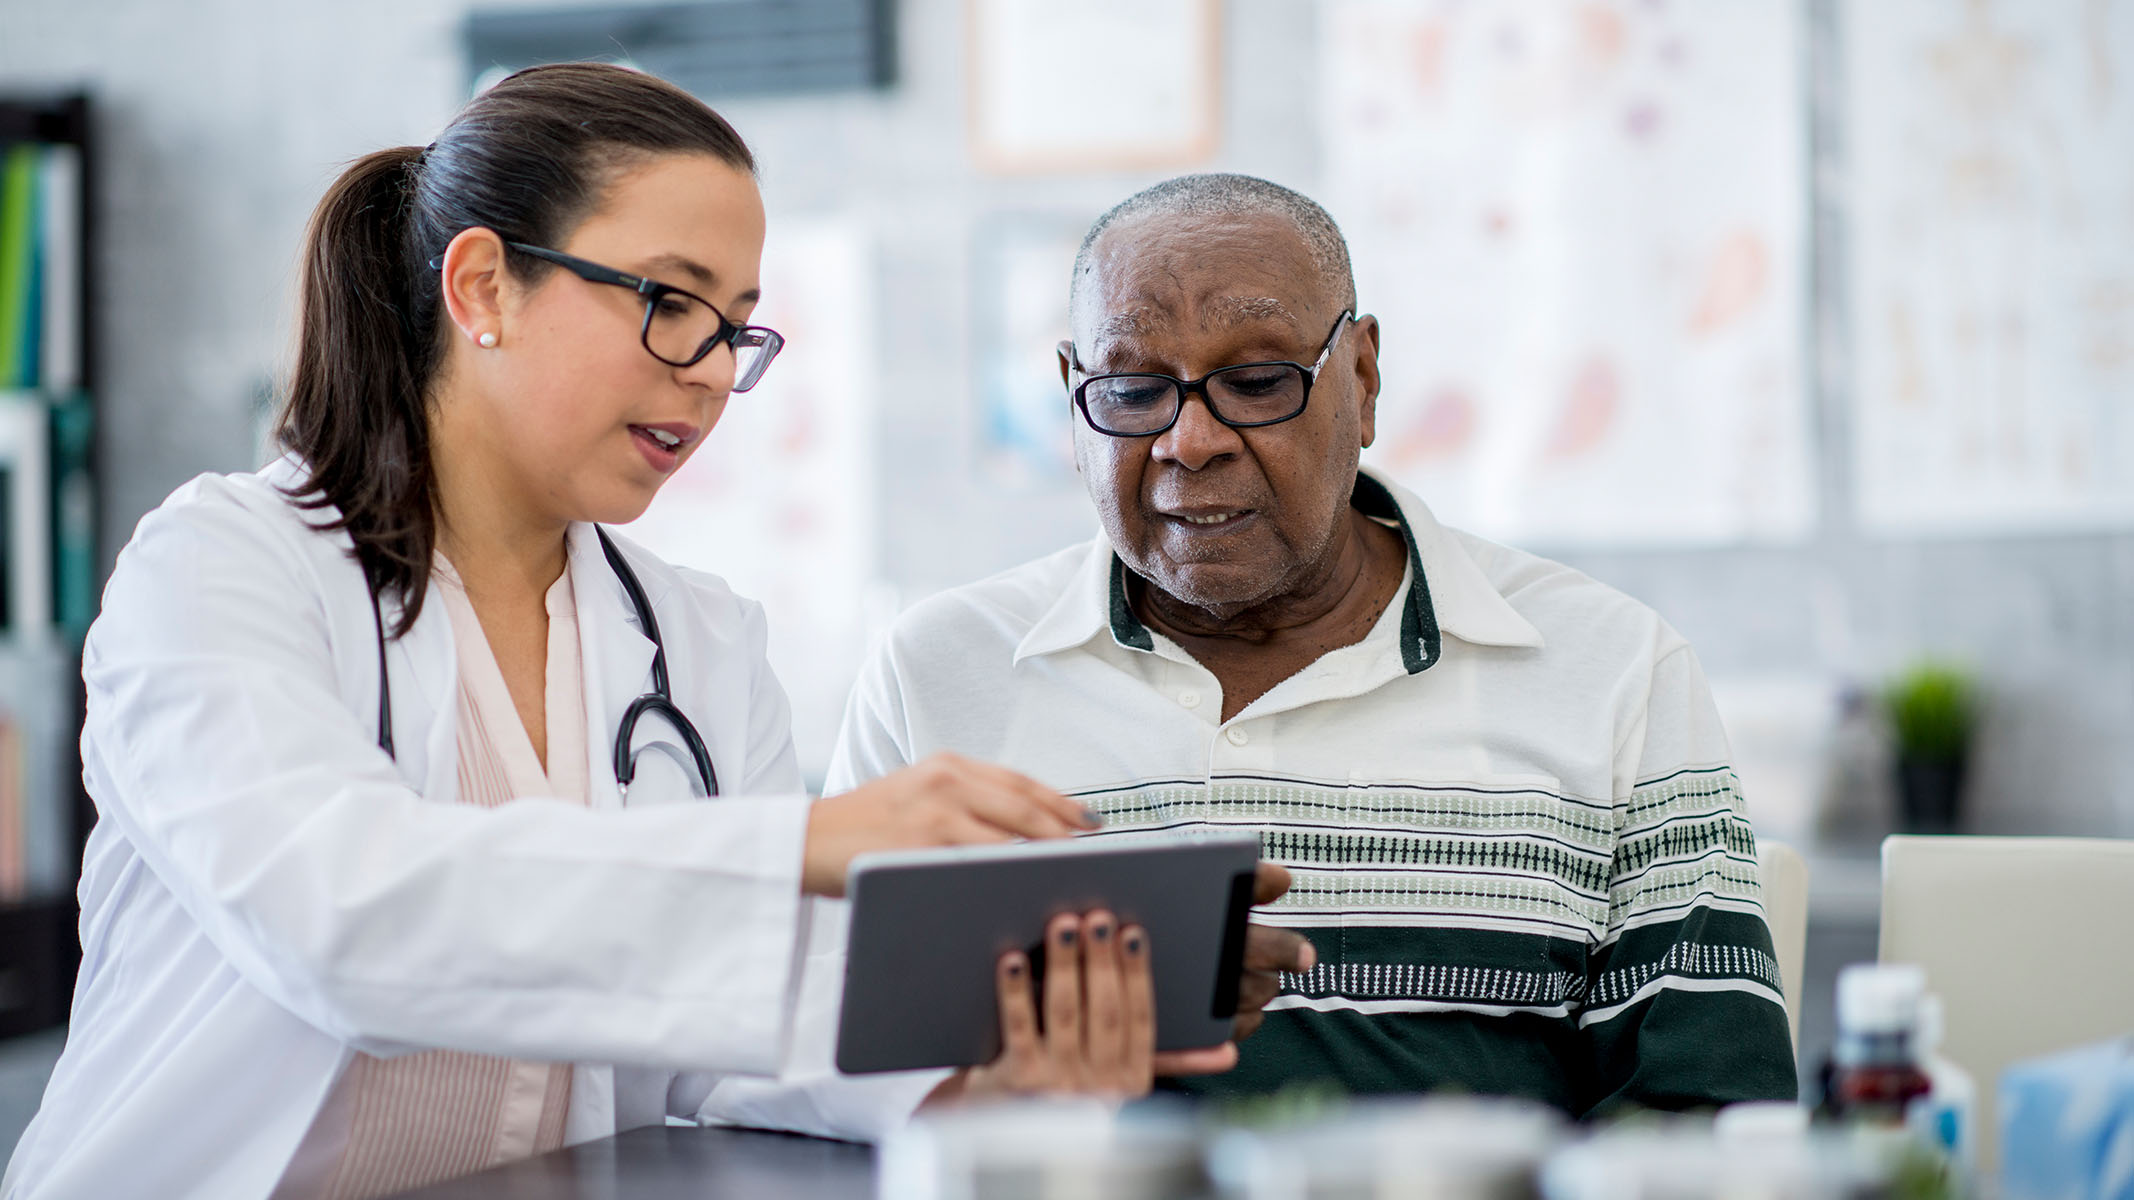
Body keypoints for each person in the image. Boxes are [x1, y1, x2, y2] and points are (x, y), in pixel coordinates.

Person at [3, 66, 1241, 1200]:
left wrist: (986, 1057)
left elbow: (736, 1041)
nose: (708, 370)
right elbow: (343, 925)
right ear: (482, 285)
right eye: (669, 303)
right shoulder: (222, 566)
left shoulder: (697, 642)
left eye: (736, 327)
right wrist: (795, 845)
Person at [828, 173, 1800, 1117]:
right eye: (1130, 390)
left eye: (1255, 383)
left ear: (1364, 379)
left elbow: (1708, 1122)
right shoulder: (935, 677)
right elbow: (821, 1086)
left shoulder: (1613, 672)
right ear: (1071, 395)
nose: (1189, 440)